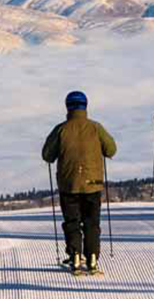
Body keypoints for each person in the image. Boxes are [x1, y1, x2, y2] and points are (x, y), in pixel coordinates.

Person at [42, 91, 117, 276]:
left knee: (72, 221)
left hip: (69, 185)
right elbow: (111, 150)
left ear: (68, 107)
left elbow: (47, 155)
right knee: (92, 222)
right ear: (85, 106)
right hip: (93, 184)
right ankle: (92, 257)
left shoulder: (61, 129)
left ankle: (75, 255)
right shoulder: (96, 128)